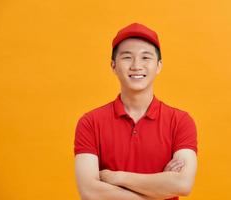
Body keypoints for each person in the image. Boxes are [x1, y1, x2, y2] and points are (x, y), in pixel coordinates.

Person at [74, 22, 198, 200]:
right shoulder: (90, 122)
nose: (136, 65)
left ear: (159, 66)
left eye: (145, 57)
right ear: (113, 66)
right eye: (127, 57)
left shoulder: (180, 121)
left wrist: (117, 177)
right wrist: (159, 189)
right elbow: (90, 192)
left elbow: (182, 184)